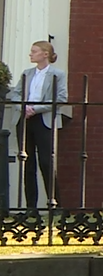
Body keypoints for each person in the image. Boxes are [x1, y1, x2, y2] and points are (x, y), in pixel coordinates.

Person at [8, 41, 68, 210]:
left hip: (44, 119)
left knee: (46, 161)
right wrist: (23, 107)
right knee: (28, 163)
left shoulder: (58, 74)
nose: (31, 54)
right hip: (25, 119)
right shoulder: (27, 73)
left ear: (45, 54)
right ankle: (30, 207)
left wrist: (36, 108)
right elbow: (16, 93)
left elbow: (61, 98)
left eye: (34, 51)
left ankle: (55, 204)